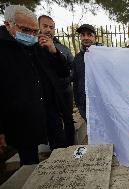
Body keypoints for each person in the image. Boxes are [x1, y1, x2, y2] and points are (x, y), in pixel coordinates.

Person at [0, 5, 69, 165]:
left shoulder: (40, 46)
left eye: (34, 31)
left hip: (50, 112)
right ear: (8, 24)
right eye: (26, 30)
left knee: (62, 153)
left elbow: (64, 72)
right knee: (29, 163)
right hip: (21, 118)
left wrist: (54, 52)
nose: (31, 35)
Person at [39, 15, 75, 146]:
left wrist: (67, 80)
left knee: (68, 119)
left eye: (51, 27)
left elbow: (71, 68)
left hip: (65, 91)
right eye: (45, 26)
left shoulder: (63, 48)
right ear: (39, 27)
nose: (48, 30)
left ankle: (71, 145)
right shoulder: (34, 48)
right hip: (47, 95)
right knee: (54, 123)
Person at [73, 24, 101, 121]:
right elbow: (76, 81)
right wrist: (79, 102)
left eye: (89, 35)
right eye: (83, 35)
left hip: (102, 102)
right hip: (84, 104)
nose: (86, 38)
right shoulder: (77, 58)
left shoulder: (104, 56)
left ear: (95, 37)